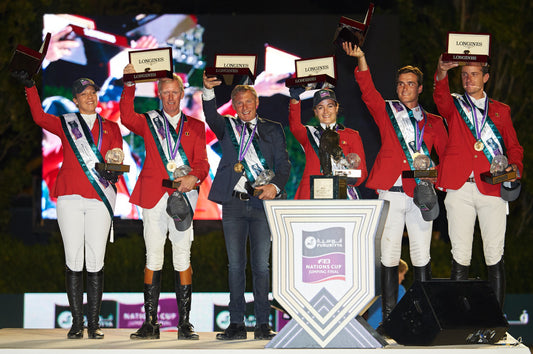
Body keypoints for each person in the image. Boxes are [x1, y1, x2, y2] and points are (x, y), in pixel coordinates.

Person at [342, 42, 449, 328]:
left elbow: (448, 156)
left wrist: (434, 176)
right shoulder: (386, 110)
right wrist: (362, 58)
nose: (404, 88)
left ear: (420, 88)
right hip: (389, 190)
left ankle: (423, 315)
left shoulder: (435, 122)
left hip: (419, 194)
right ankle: (389, 318)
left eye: (410, 84)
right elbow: (368, 90)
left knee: (421, 253)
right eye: (400, 83)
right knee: (389, 253)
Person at [12, 71, 123, 339]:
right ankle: (77, 323)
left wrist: (115, 166)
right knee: (74, 260)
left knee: (95, 261)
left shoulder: (111, 127)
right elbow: (39, 117)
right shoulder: (66, 123)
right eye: (84, 94)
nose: (90, 97)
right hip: (70, 198)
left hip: (99, 198)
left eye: (93, 92)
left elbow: (117, 155)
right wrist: (31, 87)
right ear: (75, 100)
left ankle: (94, 324)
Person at [120, 64, 209, 340]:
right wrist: (129, 83)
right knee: (153, 256)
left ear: (182, 93)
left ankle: (185, 323)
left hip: (183, 197)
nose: (170, 97)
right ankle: (150, 322)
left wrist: (194, 177)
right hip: (153, 196)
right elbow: (125, 116)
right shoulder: (148, 120)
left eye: (174, 92)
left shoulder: (195, 125)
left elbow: (202, 163)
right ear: (159, 95)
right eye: (165, 93)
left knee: (183, 256)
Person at [202, 72, 291, 340]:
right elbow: (210, 114)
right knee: (235, 266)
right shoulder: (226, 127)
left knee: (262, 266)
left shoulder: (273, 128)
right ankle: (237, 324)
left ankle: (263, 324)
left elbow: (284, 166)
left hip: (262, 204)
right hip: (233, 205)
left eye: (247, 101)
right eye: (238, 103)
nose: (243, 107)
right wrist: (207, 91)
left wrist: (274, 187)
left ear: (257, 102)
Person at [433, 56, 523, 308]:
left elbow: (514, 146)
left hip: (492, 187)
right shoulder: (454, 105)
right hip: (459, 188)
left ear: (485, 77)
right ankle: (459, 318)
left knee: (494, 255)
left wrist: (515, 167)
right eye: (464, 74)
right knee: (460, 255)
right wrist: (441, 72)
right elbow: (440, 99)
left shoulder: (501, 110)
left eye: (473, 74)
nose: (467, 79)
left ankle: (496, 321)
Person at [287, 86, 368, 199]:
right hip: (312, 195)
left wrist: (343, 176)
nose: (326, 111)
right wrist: (295, 100)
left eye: (330, 106)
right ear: (315, 111)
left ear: (336, 108)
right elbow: (294, 126)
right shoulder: (308, 134)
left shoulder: (352, 135)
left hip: (341, 192)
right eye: (320, 107)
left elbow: (361, 172)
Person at [366, 259, 409, 329]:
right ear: (396, 273)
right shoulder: (399, 289)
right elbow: (402, 312)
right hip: (384, 330)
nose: (403, 278)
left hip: (368, 326)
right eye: (403, 274)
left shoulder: (376, 286)